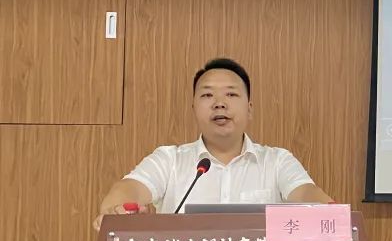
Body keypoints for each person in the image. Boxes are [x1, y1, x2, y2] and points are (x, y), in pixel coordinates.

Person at [95, 57, 332, 230]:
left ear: (249, 109)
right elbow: (130, 187)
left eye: (231, 94)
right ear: (194, 108)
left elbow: (304, 192)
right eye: (207, 95)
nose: (219, 103)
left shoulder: (277, 161)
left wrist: (325, 207)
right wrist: (118, 207)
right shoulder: (169, 160)